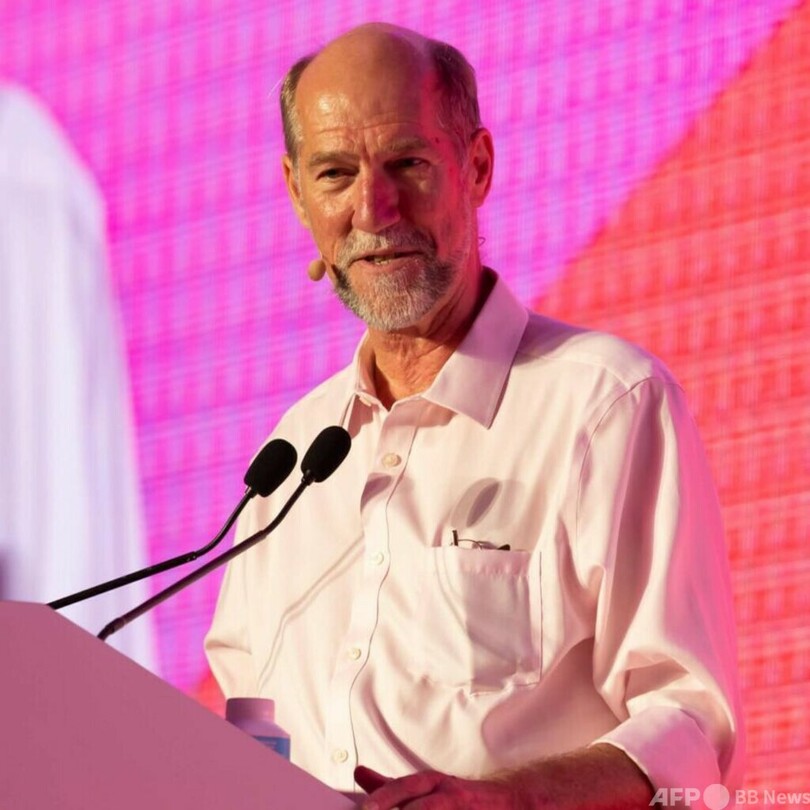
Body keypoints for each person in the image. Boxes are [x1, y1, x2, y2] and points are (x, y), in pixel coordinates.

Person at [206, 23, 743, 808]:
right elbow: (247, 722)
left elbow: (691, 728)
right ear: (297, 194)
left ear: (477, 167)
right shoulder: (290, 458)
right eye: (335, 173)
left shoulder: (606, 406)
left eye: (408, 164)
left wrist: (504, 801)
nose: (374, 208)